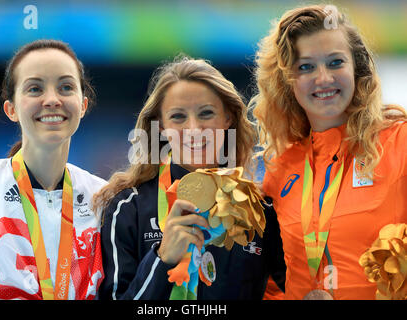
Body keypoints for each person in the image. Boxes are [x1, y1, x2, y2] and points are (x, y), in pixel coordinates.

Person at [95, 55, 286, 300]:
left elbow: (296, 286)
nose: (194, 129)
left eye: (206, 113)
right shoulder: (127, 207)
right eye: (178, 117)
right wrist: (162, 258)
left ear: (228, 118)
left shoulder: (260, 211)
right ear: (160, 125)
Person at [251, 4, 407, 300]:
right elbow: (270, 281)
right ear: (287, 80)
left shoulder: (400, 144)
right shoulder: (280, 170)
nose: (323, 78)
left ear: (357, 68)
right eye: (306, 67)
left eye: (335, 62)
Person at [0, 39, 106, 300]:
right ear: (11, 109)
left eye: (66, 87)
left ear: (83, 105)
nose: (51, 100)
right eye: (35, 89)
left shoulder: (104, 200)